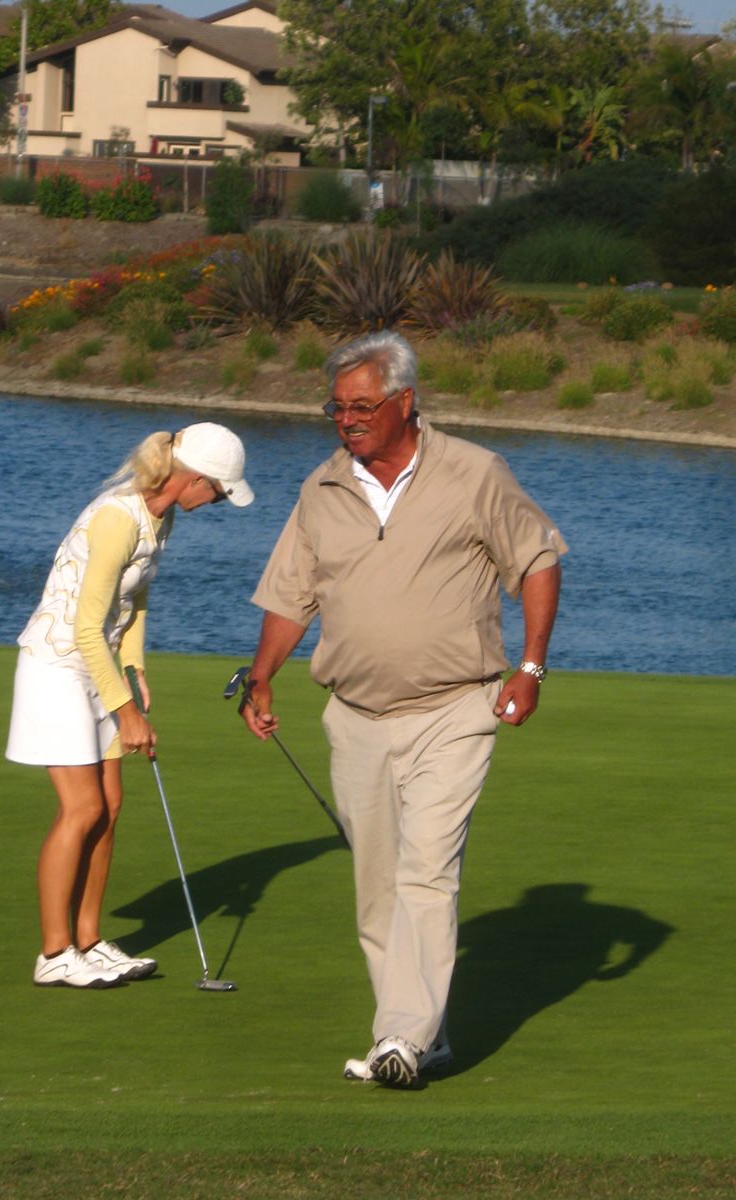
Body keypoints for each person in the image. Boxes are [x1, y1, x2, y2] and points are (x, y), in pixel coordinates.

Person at [240, 330, 566, 1087]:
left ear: (405, 401)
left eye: (361, 406)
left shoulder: (476, 473)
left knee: (427, 871)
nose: (346, 420)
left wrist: (531, 666)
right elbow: (291, 595)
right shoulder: (322, 488)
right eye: (336, 407)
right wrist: (261, 679)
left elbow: (538, 558)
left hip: (455, 709)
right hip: (353, 715)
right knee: (379, 884)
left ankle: (401, 1039)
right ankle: (429, 1034)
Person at [7, 423, 253, 989]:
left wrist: (135, 668)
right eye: (218, 491)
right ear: (194, 479)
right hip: (58, 665)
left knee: (110, 805)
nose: (217, 502)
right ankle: (53, 952)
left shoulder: (159, 515)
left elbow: (135, 598)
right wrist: (126, 710)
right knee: (82, 808)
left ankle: (88, 941)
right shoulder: (118, 517)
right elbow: (86, 627)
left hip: (98, 668)